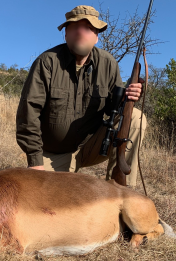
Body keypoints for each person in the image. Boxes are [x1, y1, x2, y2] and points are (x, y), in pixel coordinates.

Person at [16, 5, 146, 186]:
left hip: (91, 147)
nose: (80, 32)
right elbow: (28, 115)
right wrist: (35, 162)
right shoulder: (46, 62)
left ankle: (122, 188)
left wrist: (128, 98)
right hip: (54, 153)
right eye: (74, 27)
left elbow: (114, 109)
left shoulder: (108, 63)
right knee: (44, 202)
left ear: (96, 37)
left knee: (135, 117)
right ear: (66, 34)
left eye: (88, 28)